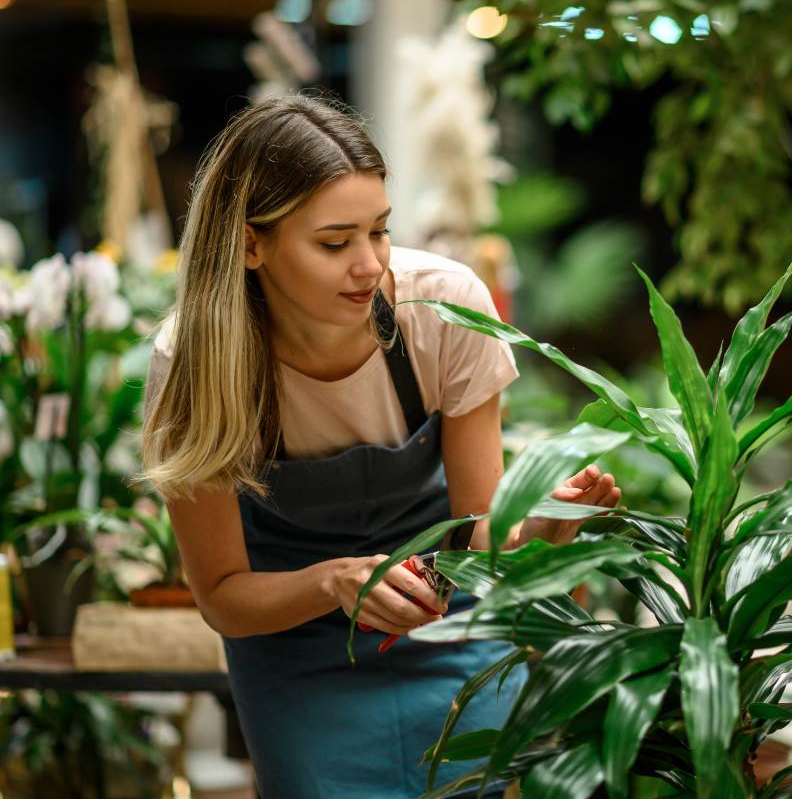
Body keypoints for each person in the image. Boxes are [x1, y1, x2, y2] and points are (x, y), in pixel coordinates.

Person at [136, 94, 621, 798]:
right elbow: (221, 596)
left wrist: (542, 524)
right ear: (250, 243)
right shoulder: (193, 361)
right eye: (335, 243)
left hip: (450, 618)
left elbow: (479, 522)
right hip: (295, 643)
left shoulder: (442, 309)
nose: (367, 265)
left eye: (380, 232)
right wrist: (334, 581)